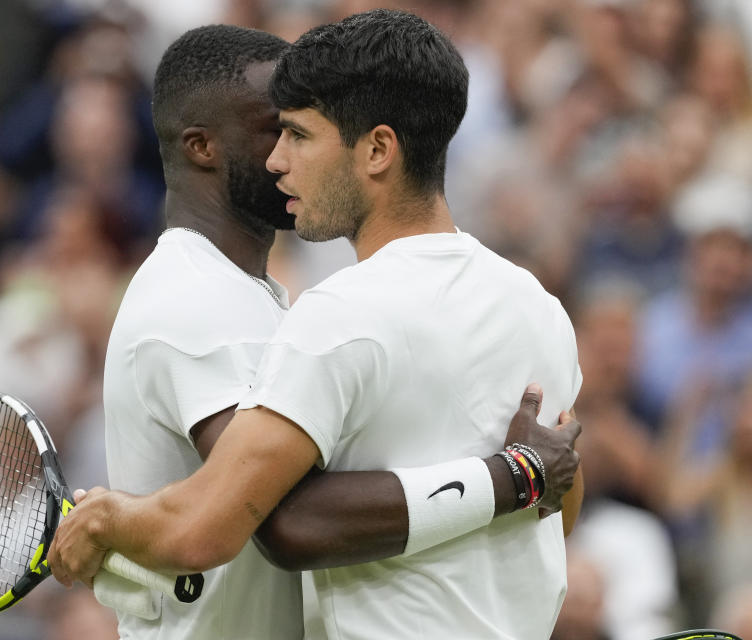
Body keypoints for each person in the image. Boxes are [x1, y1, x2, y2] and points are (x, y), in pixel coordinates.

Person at [52, 16, 582, 639]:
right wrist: (517, 477)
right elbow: (559, 502)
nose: (280, 159)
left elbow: (270, 523)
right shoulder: (538, 304)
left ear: (378, 150)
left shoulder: (338, 312)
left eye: (299, 135)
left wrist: (108, 519)